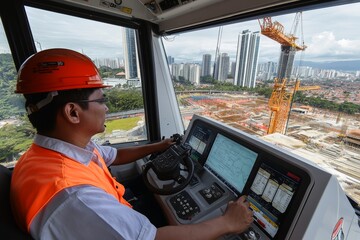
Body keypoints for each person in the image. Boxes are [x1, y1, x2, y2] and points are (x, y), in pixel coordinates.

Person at [10, 48, 253, 240]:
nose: (106, 108)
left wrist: (157, 146)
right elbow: (155, 238)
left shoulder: (54, 152)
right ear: (73, 113)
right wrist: (227, 222)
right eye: (101, 100)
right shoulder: (75, 197)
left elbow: (113, 155)